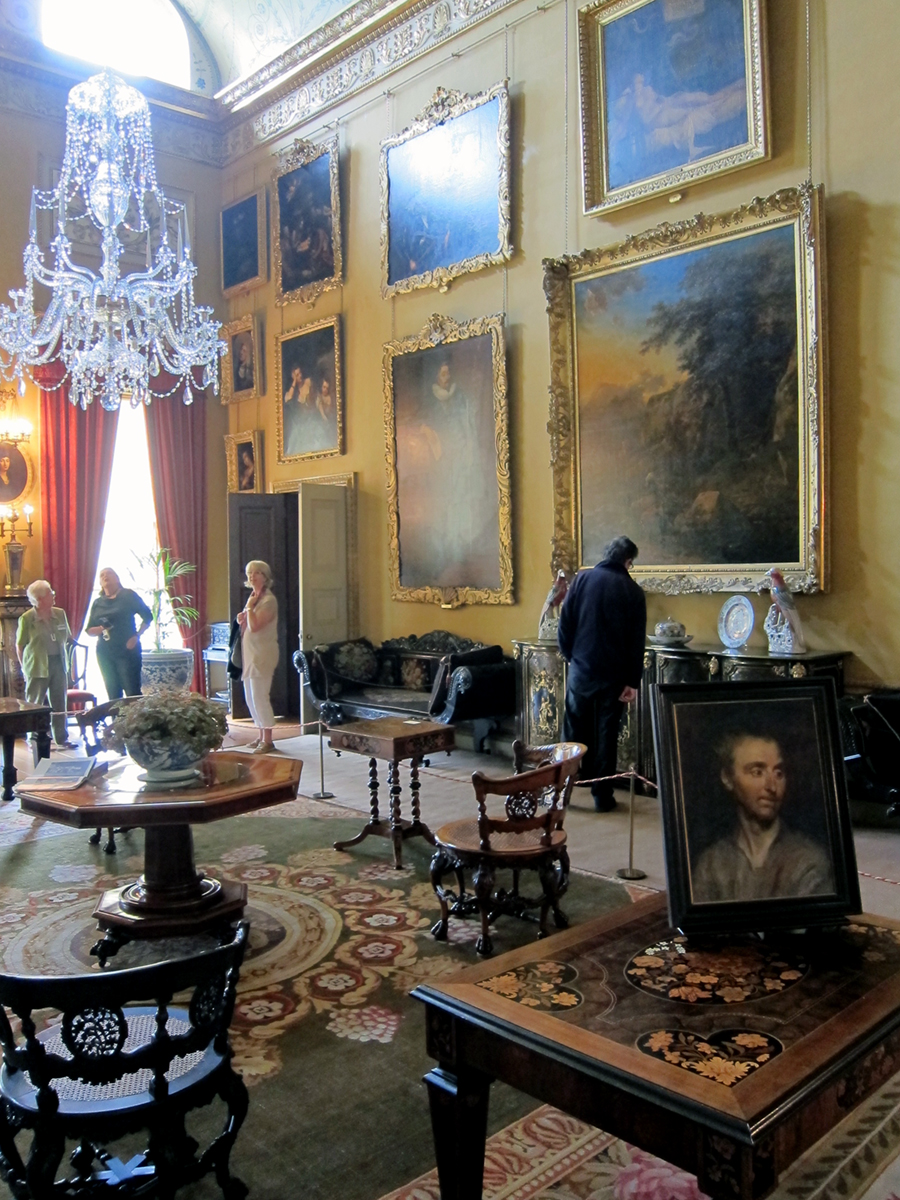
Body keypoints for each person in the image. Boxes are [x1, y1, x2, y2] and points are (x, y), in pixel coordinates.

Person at [691, 729, 835, 903]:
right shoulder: (712, 863)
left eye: (778, 773)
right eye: (757, 772)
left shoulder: (807, 860)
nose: (771, 787)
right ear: (727, 778)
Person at [557, 535, 647, 812]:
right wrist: (632, 681)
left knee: (572, 731)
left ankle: (563, 791)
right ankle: (602, 796)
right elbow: (636, 643)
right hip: (614, 676)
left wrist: (572, 657)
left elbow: (565, 623)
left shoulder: (582, 580)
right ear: (628, 561)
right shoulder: (633, 591)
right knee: (607, 735)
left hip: (581, 670)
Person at [16, 580, 73, 747]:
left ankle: (61, 737)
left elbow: (67, 637)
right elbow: (20, 645)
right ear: (40, 599)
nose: (53, 595)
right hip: (36, 665)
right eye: (50, 593)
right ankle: (34, 738)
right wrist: (24, 668)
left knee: (59, 702)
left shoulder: (60, 614)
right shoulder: (27, 618)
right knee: (34, 703)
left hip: (58, 663)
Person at [85, 567, 152, 700]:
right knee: (113, 692)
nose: (105, 576)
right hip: (105, 652)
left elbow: (148, 617)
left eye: (109, 573)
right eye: (102, 575)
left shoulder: (128, 596)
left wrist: (137, 636)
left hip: (127, 650)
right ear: (100, 583)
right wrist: (100, 628)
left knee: (132, 691)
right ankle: (116, 714)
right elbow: (89, 630)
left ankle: (135, 714)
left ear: (117, 579)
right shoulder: (98, 602)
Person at [238, 559, 279, 753]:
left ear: (265, 576)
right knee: (250, 697)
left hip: (262, 654)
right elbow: (248, 623)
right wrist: (242, 617)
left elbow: (255, 626)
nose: (252, 576)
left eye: (256, 572)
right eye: (250, 573)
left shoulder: (268, 600)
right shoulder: (255, 597)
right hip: (250, 653)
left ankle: (268, 740)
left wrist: (248, 608)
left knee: (260, 696)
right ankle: (260, 735)